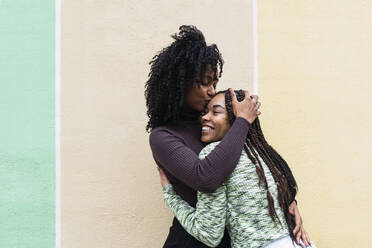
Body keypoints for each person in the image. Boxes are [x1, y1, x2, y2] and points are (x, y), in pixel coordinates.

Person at [146, 25, 308, 248]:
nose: (212, 90)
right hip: (191, 240)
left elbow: (258, 166)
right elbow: (206, 178)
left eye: (215, 83)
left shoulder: (215, 124)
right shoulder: (163, 136)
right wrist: (242, 121)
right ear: (180, 82)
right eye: (205, 82)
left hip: (231, 241)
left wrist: (288, 204)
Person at [157, 90, 316, 248]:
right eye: (205, 112)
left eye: (216, 112)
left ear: (235, 119)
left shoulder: (213, 155)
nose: (204, 117)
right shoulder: (261, 153)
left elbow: (209, 234)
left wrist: (170, 195)